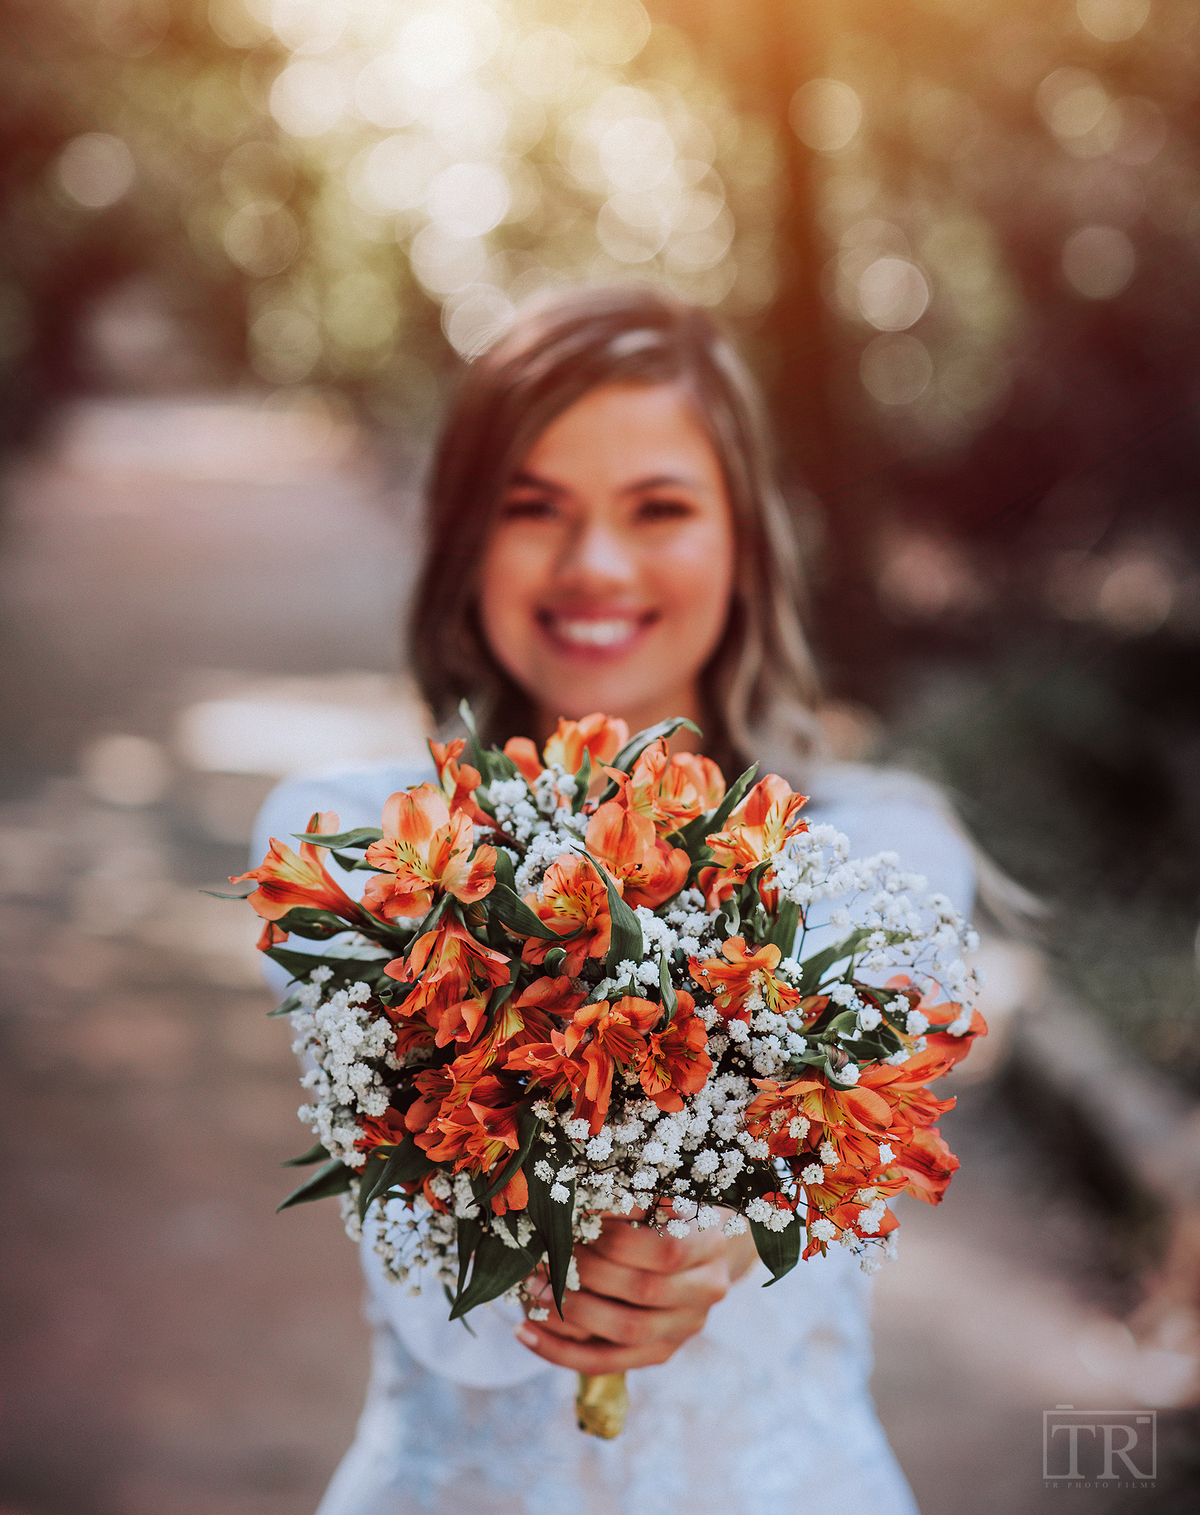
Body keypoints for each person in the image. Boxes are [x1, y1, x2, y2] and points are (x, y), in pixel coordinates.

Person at [252, 285, 976, 1515]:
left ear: (743, 539)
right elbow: (446, 1319)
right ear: (463, 537)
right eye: (533, 508)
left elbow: (912, 1076)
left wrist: (743, 1224)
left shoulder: (884, 846)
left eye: (660, 509)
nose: (595, 564)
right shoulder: (342, 841)